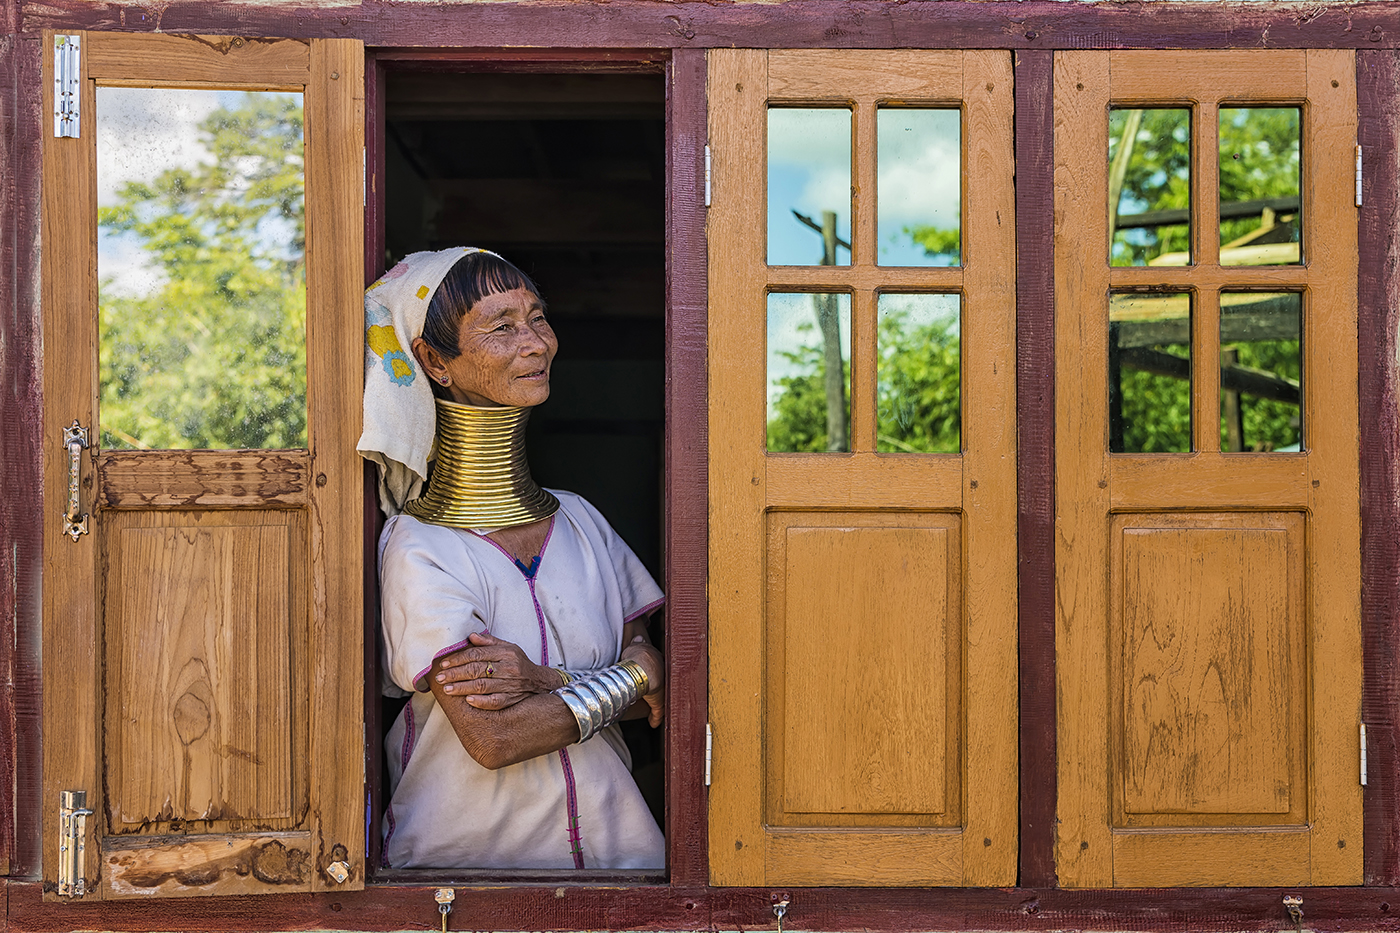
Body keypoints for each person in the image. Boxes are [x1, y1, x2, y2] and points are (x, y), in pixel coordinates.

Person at [358, 247, 666, 870]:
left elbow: (662, 700)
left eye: (538, 318)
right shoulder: (422, 546)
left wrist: (547, 682)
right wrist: (630, 672)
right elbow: (496, 737)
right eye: (501, 327)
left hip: (621, 859)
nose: (536, 343)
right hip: (465, 875)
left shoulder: (582, 522)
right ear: (435, 363)